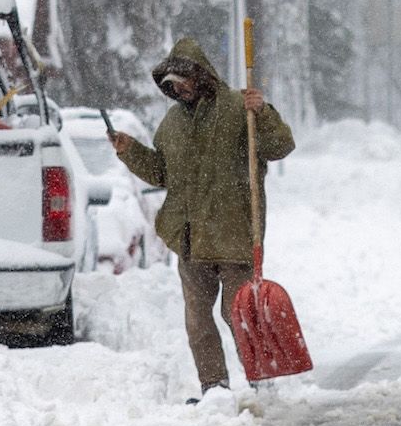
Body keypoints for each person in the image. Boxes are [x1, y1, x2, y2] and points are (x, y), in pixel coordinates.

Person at [113, 35, 294, 399]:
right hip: (190, 238)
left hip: (233, 235)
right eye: (169, 87)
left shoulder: (236, 108)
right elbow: (162, 172)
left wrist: (264, 113)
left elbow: (280, 146)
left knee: (238, 314)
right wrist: (130, 151)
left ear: (199, 76)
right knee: (197, 322)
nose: (176, 91)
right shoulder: (172, 124)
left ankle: (261, 379)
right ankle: (214, 387)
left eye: (180, 83)